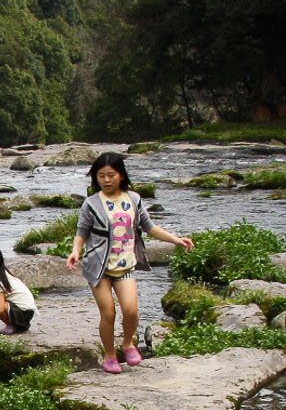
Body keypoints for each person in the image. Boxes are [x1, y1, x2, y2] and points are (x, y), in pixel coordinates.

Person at [67, 153, 194, 373]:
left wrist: (175, 239)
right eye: (101, 176)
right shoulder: (91, 203)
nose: (106, 180)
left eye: (111, 175)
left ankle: (127, 344)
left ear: (121, 175)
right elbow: (82, 232)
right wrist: (75, 251)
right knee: (108, 313)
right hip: (98, 267)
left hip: (125, 265)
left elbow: (149, 227)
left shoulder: (133, 199)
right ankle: (109, 355)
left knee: (131, 310)